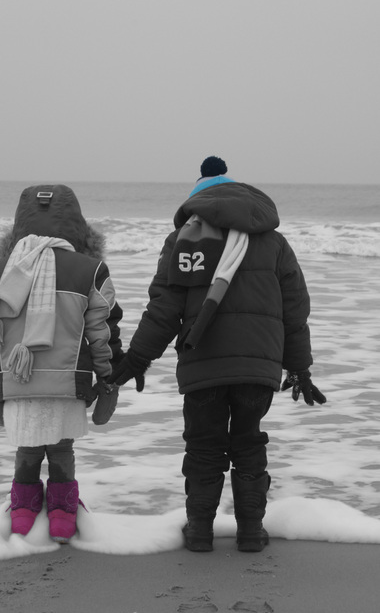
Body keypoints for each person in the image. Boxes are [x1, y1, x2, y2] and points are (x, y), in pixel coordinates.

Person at [110, 156, 326, 553]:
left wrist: (137, 359)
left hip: (203, 367)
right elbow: (295, 311)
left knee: (204, 447)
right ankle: (249, 533)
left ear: (197, 202)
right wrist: (299, 368)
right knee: (248, 445)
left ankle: (199, 533)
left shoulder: (183, 241)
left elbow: (164, 309)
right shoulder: (274, 242)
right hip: (257, 369)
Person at [0, 184, 123, 543]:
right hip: (68, 383)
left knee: (27, 446)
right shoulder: (91, 270)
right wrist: (108, 377)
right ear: (79, 226)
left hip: (16, 380)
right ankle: (61, 516)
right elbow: (102, 333)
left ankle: (22, 515)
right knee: (61, 447)